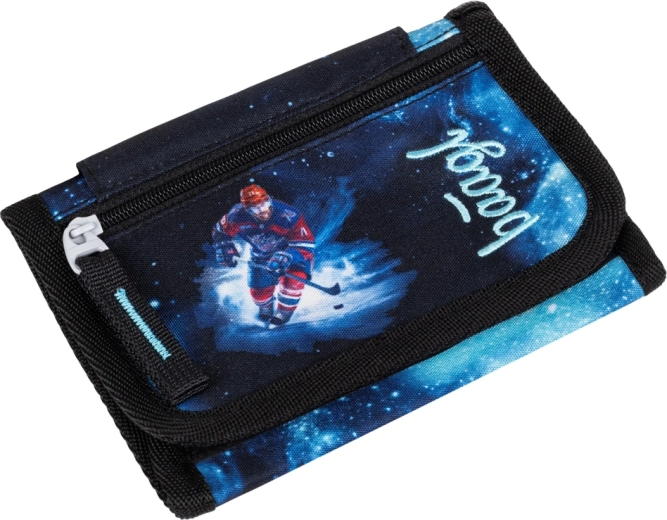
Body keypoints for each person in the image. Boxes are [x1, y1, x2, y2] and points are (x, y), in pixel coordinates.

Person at [211, 184, 315, 325]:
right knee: (259, 295)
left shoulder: (290, 214)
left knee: (293, 281)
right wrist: (224, 247)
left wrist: (287, 256)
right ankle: (266, 306)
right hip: (261, 256)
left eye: (264, 203)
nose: (262, 210)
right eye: (255, 208)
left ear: (269, 199)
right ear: (246, 209)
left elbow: (306, 244)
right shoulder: (235, 215)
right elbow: (219, 230)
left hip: (293, 256)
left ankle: (284, 311)